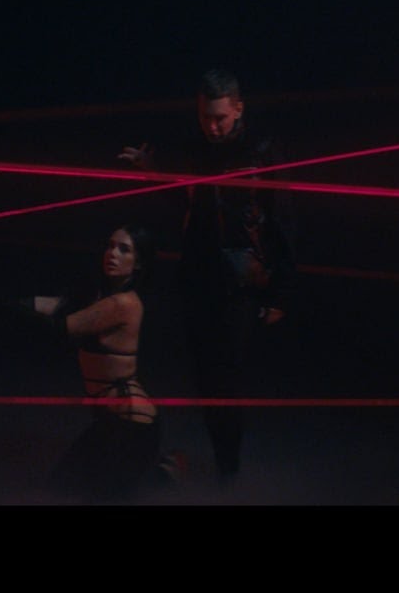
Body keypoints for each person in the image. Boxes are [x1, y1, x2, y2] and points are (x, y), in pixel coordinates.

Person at [118, 68, 298, 487]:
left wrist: (281, 293)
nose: (212, 126)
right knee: (204, 376)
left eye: (219, 118)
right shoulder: (195, 149)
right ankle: (217, 461)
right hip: (198, 278)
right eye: (205, 117)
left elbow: (284, 220)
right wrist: (151, 170)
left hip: (242, 282)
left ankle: (227, 466)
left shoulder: (262, 150)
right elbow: (183, 202)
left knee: (225, 377)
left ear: (238, 108)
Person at [0, 223, 183, 502]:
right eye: (110, 246)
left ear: (139, 263)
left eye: (124, 250)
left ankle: (165, 471)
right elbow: (51, 305)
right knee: (59, 491)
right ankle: (164, 469)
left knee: (101, 497)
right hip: (108, 422)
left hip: (133, 427)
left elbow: (60, 328)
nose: (112, 254)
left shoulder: (124, 304)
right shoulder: (99, 296)